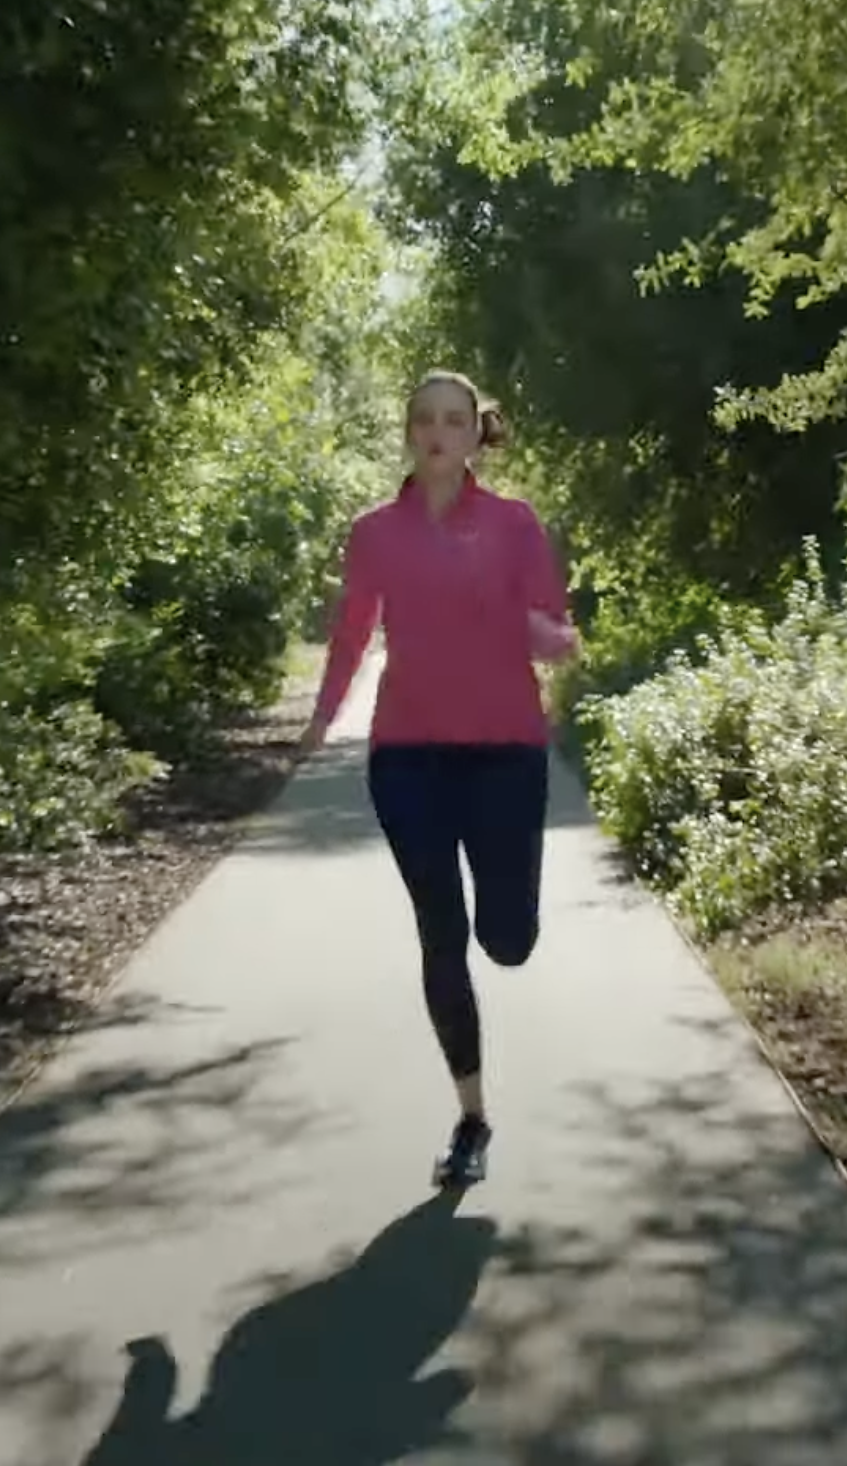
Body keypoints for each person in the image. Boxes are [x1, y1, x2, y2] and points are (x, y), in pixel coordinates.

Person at [301, 371, 580, 1189]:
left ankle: (511, 934)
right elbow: (353, 631)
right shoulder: (374, 532)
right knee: (440, 930)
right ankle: (471, 1117)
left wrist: (538, 635)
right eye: (423, 419)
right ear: (408, 431)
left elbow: (557, 631)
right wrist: (321, 721)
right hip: (408, 757)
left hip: (505, 753)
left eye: (452, 421)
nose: (436, 433)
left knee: (508, 942)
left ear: (473, 435)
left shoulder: (515, 524)